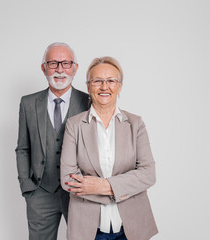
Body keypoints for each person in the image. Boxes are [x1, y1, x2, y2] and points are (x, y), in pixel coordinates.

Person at [60, 56, 158, 240]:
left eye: (111, 81)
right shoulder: (74, 125)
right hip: (88, 227)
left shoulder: (135, 124)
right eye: (97, 81)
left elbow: (148, 174)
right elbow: (67, 178)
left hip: (132, 225)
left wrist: (103, 185)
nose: (104, 87)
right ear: (88, 86)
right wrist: (121, 189)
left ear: (119, 86)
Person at [15, 42, 89, 240]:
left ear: (75, 68)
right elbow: (23, 148)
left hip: (79, 194)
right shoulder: (28, 103)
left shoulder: (88, 102)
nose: (59, 69)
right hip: (40, 193)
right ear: (43, 68)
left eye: (65, 63)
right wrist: (27, 187)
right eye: (53, 63)